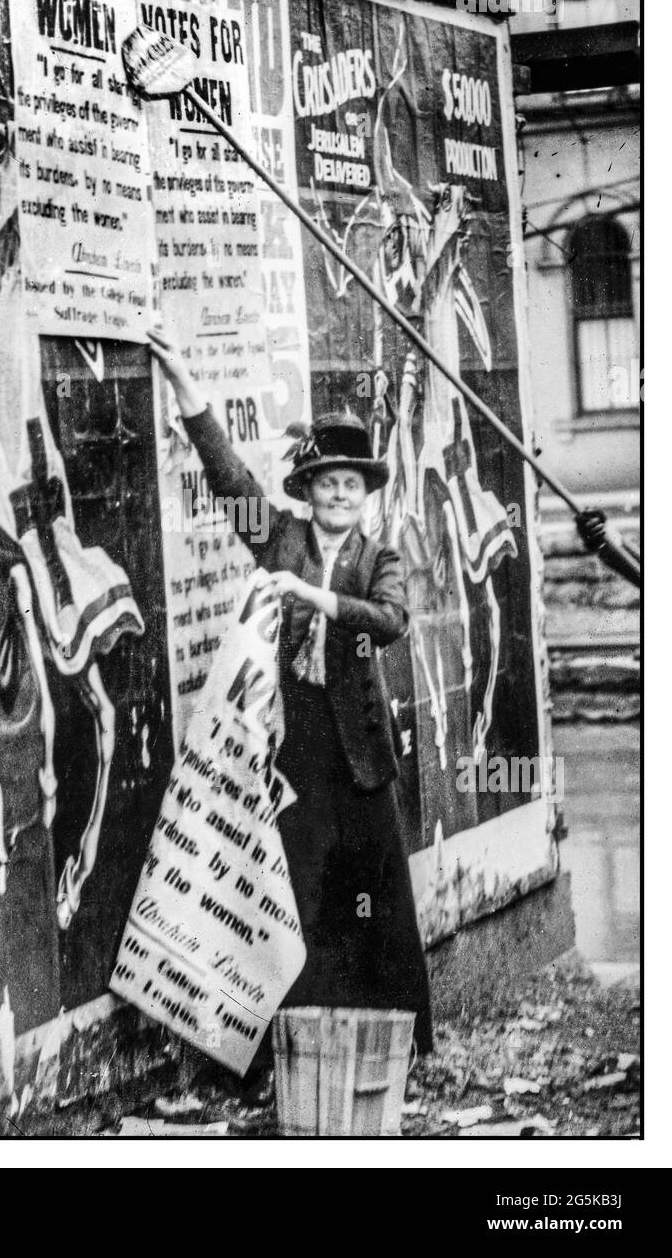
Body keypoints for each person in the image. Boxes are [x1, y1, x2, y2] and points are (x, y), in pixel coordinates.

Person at [149, 329, 433, 1056]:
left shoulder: (381, 557)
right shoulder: (278, 538)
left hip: (362, 753)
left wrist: (314, 595)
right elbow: (227, 475)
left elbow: (392, 621)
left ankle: (400, 1043)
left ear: (366, 496)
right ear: (307, 492)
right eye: (327, 483)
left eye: (352, 485)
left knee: (380, 899)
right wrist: (184, 382)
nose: (339, 495)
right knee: (295, 891)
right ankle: (298, 1049)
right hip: (295, 742)